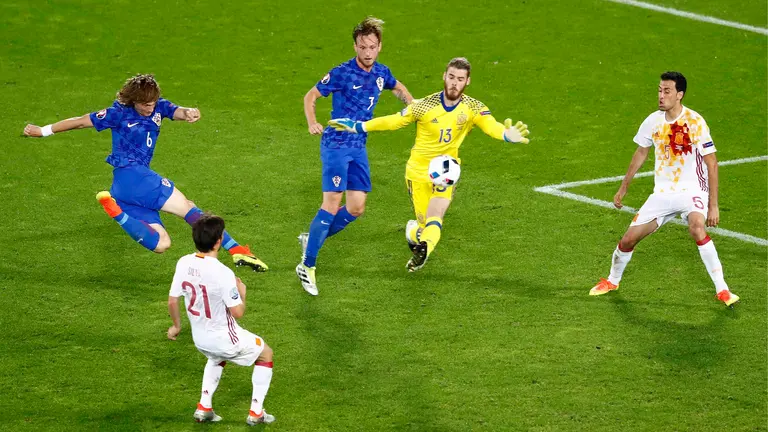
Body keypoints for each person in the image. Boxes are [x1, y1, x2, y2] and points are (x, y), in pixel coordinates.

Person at [23, 74, 268, 272]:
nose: (150, 108)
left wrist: (189, 112)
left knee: (162, 244)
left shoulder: (158, 106)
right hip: (134, 177)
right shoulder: (117, 113)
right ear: (133, 100)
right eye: (144, 104)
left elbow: (178, 111)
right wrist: (43, 131)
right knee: (189, 210)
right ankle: (237, 251)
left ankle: (116, 211)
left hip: (125, 191)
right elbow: (79, 121)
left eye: (152, 103)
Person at [328, 57, 530, 271]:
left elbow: (491, 126)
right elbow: (395, 120)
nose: (454, 83)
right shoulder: (425, 106)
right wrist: (359, 127)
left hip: (446, 172)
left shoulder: (473, 107)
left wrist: (507, 135)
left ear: (467, 81)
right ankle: (414, 233)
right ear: (444, 76)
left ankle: (423, 252)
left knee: (436, 218)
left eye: (460, 79)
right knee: (425, 227)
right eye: (451, 77)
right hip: (418, 173)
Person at [589, 71, 739, 307]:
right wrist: (623, 187)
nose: (661, 95)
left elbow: (711, 162)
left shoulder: (695, 122)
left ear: (679, 94)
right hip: (662, 194)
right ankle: (612, 281)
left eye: (666, 91)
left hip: (692, 190)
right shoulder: (653, 121)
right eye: (659, 90)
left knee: (697, 228)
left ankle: (723, 290)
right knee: (628, 240)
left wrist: (713, 204)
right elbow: (640, 153)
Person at [297, 17, 414, 295]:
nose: (367, 53)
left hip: (359, 146)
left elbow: (398, 88)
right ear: (355, 46)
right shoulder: (341, 72)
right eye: (362, 47)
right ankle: (307, 265)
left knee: (357, 207)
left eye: (372, 47)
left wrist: (414, 107)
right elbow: (310, 96)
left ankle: (311, 238)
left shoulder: (382, 72)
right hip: (336, 143)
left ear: (380, 46)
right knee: (331, 202)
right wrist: (312, 121)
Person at [167, 214, 275, 425]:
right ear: (218, 242)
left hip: (200, 339)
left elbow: (172, 301)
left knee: (216, 357)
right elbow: (238, 313)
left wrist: (176, 326)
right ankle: (256, 413)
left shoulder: (183, 262)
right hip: (225, 338)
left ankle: (204, 407)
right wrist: (242, 292)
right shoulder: (222, 273)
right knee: (265, 354)